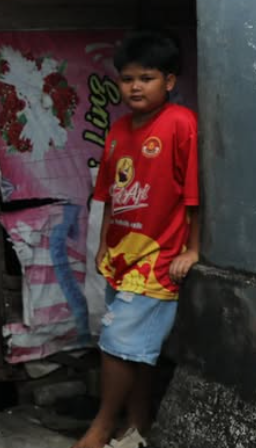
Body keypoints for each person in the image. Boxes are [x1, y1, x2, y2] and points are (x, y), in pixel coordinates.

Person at [74, 32, 199, 448]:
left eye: (146, 77)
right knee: (136, 348)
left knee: (116, 343)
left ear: (169, 80)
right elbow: (108, 195)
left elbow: (194, 194)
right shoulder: (119, 129)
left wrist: (193, 249)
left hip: (157, 259)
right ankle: (139, 424)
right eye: (127, 79)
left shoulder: (181, 123)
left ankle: (102, 425)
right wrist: (103, 247)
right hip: (122, 258)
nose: (135, 87)